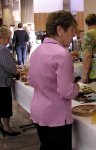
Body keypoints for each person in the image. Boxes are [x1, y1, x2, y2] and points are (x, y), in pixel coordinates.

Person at [28, 10, 79, 150]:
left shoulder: (37, 51)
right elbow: (66, 92)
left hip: (38, 111)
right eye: (72, 30)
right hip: (57, 116)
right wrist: (77, 87)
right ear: (60, 30)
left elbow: (31, 80)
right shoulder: (62, 54)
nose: (74, 34)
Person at [0, 26, 21, 137]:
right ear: (2, 37)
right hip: (3, 82)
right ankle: (7, 128)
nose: (9, 40)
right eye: (8, 38)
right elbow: (10, 67)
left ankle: (1, 126)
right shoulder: (2, 49)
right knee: (5, 107)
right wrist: (16, 70)